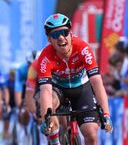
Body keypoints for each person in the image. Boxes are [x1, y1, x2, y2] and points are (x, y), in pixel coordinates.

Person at [38, 13, 113, 145]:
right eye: (56, 35)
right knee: (51, 109)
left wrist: (106, 114)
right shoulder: (45, 57)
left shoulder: (83, 48)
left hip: (81, 89)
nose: (61, 38)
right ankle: (55, 141)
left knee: (91, 133)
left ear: (70, 34)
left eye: (64, 32)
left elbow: (97, 83)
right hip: (58, 90)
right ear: (49, 39)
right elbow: (45, 91)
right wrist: (46, 119)